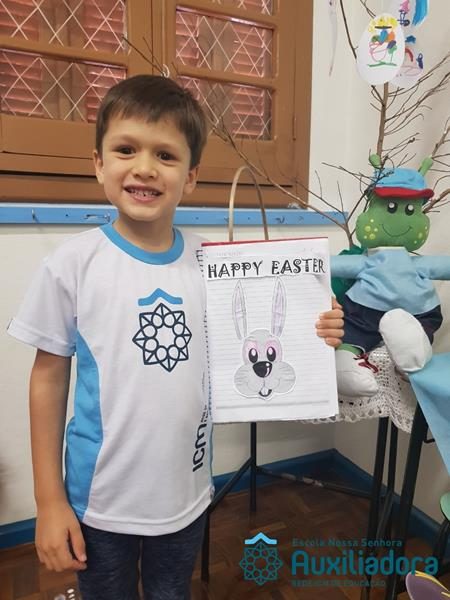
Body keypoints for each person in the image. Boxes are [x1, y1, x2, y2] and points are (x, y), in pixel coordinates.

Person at [7, 75, 344, 600]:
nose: (144, 167)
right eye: (126, 149)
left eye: (165, 155)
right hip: (101, 501)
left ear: (190, 177)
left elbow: (266, 332)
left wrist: (318, 326)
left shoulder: (213, 264)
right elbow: (47, 382)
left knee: (171, 592)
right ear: (98, 163)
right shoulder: (71, 265)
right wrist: (49, 500)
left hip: (186, 494)